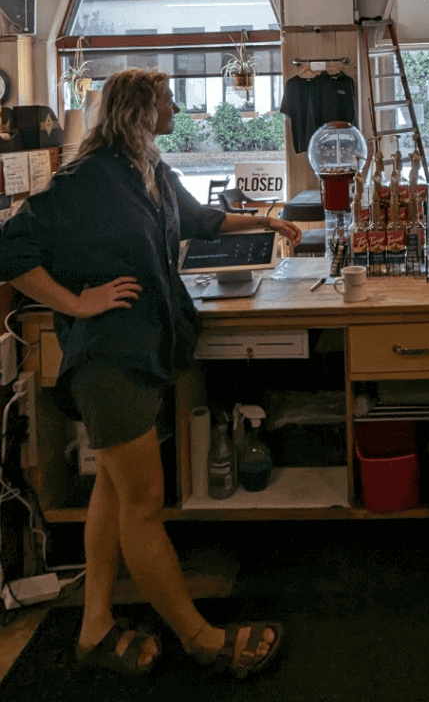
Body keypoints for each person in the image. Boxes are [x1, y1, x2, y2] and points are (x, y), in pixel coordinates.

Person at [0, 69, 302, 678]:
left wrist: (267, 222)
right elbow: (10, 247)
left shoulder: (153, 170)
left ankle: (94, 627)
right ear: (140, 107)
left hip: (145, 354)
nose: (175, 107)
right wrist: (77, 302)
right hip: (108, 361)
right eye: (167, 99)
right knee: (143, 501)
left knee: (114, 493)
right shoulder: (85, 179)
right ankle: (201, 639)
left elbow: (203, 223)